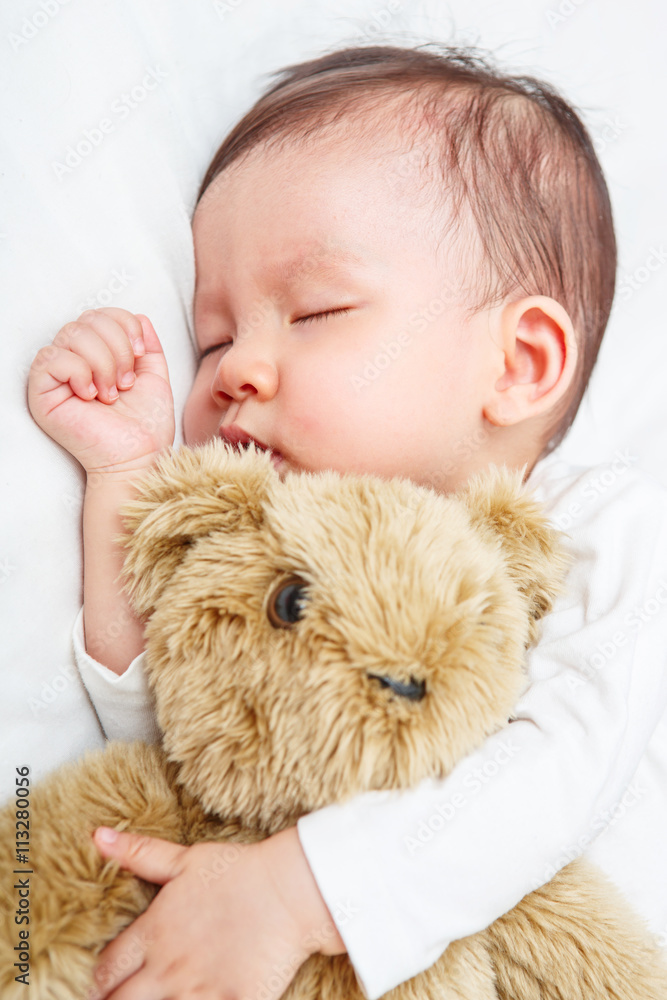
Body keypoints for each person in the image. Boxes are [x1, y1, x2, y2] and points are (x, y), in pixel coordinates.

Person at [27, 44, 667, 1000]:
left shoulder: (603, 527)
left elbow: (565, 764)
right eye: (215, 337)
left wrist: (294, 893)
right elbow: (168, 724)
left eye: (316, 312)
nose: (237, 367)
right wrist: (122, 472)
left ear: (519, 363)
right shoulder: (276, 549)